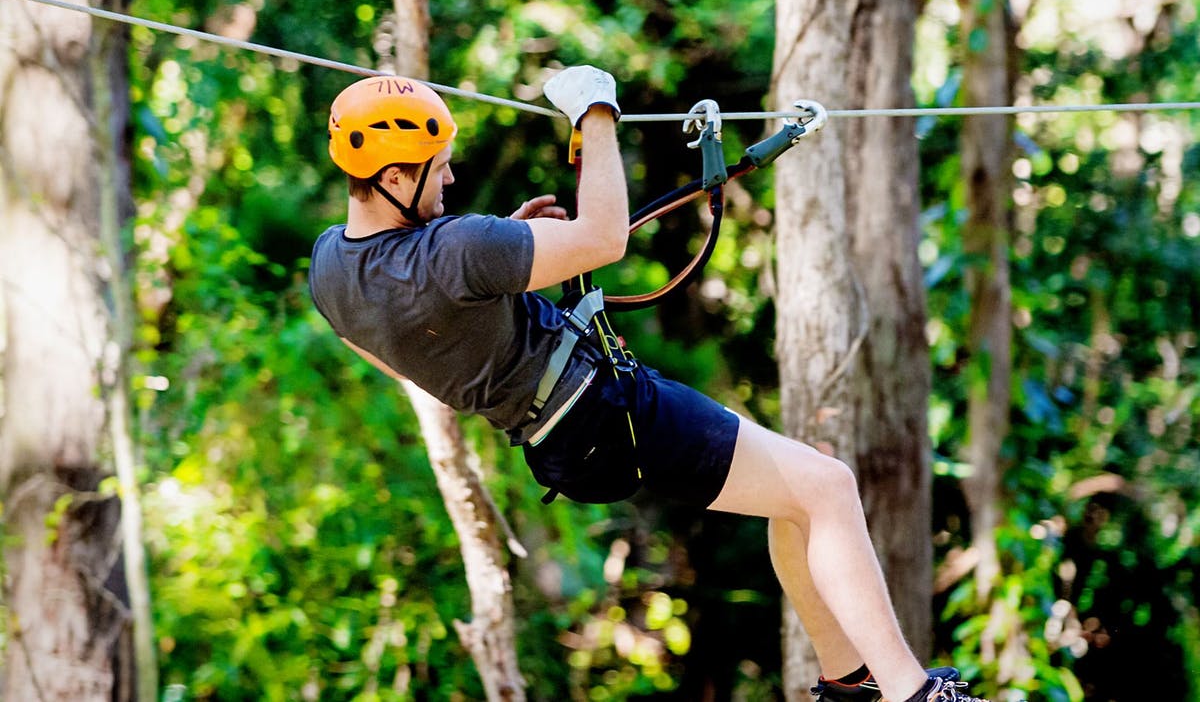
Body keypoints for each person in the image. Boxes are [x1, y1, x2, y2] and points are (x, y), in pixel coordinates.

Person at [308, 66, 990, 702]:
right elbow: (604, 238)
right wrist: (596, 111)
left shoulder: (331, 269)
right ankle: (912, 692)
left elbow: (406, 356)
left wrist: (495, 276)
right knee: (829, 487)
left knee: (798, 504)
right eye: (437, 166)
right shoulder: (456, 250)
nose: (451, 176)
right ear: (395, 176)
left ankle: (850, 687)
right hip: (606, 412)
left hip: (559, 444)